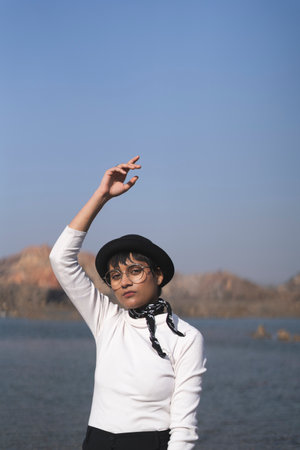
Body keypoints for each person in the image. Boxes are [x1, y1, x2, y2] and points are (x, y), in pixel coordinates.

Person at [49, 156, 206, 450]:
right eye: (116, 275)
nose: (124, 282)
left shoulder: (186, 338)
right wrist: (101, 197)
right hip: (95, 442)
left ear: (158, 275)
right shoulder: (108, 321)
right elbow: (60, 259)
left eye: (135, 271)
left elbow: (184, 430)